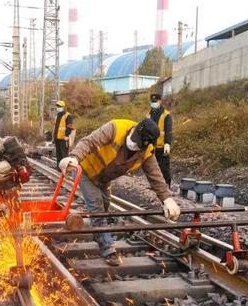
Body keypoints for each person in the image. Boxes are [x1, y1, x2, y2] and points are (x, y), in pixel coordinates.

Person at [59, 118, 181, 266]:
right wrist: (74, 158)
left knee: (104, 207)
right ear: (134, 130)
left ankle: (100, 233)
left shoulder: (146, 151)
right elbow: (88, 142)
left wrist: (167, 199)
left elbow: (155, 175)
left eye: (138, 146)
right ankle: (108, 249)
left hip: (104, 178)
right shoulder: (115, 128)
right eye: (134, 143)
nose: (134, 147)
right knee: (97, 209)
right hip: (86, 171)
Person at [147, 93, 173, 187]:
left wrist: (167, 143)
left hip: (162, 147)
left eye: (155, 101)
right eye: (152, 102)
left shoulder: (166, 115)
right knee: (153, 168)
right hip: (152, 147)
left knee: (164, 168)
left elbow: (168, 130)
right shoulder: (148, 115)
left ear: (160, 101)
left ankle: (167, 185)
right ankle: (155, 185)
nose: (154, 103)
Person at [53, 100, 75, 167]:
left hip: (64, 139)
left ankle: (65, 168)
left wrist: (66, 135)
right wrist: (53, 137)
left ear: (63, 107)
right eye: (57, 106)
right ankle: (59, 168)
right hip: (57, 138)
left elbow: (69, 127)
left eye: (59, 106)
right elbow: (56, 127)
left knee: (64, 155)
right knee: (58, 154)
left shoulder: (68, 116)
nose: (57, 107)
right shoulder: (57, 116)